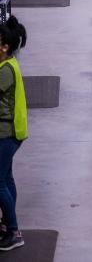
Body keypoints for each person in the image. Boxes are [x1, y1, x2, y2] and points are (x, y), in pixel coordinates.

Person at [0, 16, 28, 252]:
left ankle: (13, 231)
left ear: (5, 46)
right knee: (6, 179)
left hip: (6, 133)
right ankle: (8, 224)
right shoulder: (8, 64)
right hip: (11, 133)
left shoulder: (5, 71)